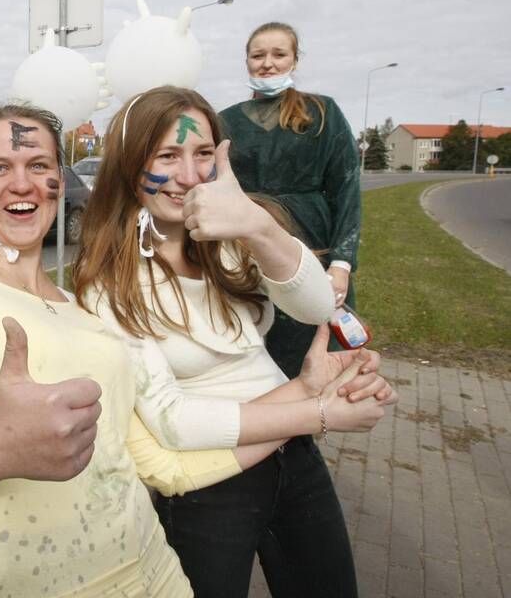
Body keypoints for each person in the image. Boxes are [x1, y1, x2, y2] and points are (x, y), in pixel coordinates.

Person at [0, 103, 380, 597]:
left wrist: (305, 396)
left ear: (61, 180)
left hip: (157, 574)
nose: (21, 183)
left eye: (39, 164)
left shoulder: (83, 308)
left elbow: (159, 463)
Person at [74, 86, 396, 598]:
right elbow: (173, 422)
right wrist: (318, 412)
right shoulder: (106, 283)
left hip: (295, 460)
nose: (188, 175)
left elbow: (315, 307)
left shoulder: (236, 238)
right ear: (131, 167)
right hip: (209, 492)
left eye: (203, 154)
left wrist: (258, 226)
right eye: (167, 155)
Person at [219, 22, 362, 377]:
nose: (267, 63)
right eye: (258, 55)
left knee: (307, 343)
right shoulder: (225, 121)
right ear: (247, 61)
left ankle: (307, 425)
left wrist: (341, 264)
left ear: (295, 60)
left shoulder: (322, 112)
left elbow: (346, 188)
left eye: (279, 54)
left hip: (310, 241)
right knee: (251, 339)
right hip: (244, 247)